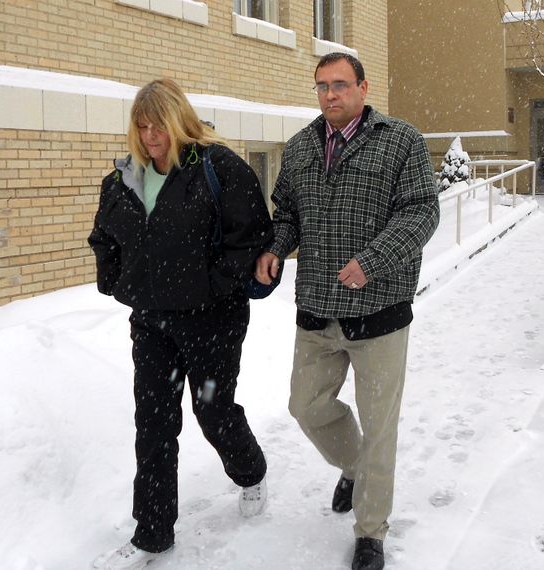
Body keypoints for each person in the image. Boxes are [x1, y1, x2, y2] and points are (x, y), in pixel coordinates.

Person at [255, 53, 440, 570]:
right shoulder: (299, 149)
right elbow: (286, 212)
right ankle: (357, 468)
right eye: (321, 86)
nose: (329, 95)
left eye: (339, 85)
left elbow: (422, 211)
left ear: (362, 87)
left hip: (378, 313)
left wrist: (373, 261)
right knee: (306, 407)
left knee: (381, 426)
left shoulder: (400, 141)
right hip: (317, 309)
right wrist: (276, 247)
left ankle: (370, 531)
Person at [88, 78, 271, 570]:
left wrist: (211, 286)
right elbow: (103, 235)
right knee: (153, 424)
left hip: (211, 323)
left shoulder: (218, 169)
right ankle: (152, 533)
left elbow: (250, 235)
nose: (150, 137)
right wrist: (114, 280)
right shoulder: (124, 178)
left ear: (178, 121)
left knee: (212, 412)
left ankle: (251, 471)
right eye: (141, 127)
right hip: (151, 323)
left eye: (158, 126)